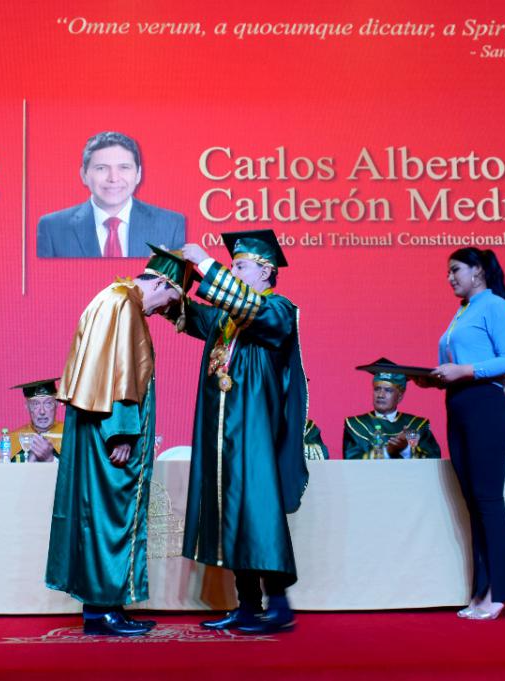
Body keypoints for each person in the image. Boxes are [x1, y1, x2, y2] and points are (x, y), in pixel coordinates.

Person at [44, 245, 192, 636]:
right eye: (169, 299)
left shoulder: (112, 297)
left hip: (96, 428)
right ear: (161, 283)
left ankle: (107, 605)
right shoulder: (125, 305)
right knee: (109, 516)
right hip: (109, 434)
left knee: (97, 515)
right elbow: (119, 372)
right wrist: (122, 431)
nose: (163, 311)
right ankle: (102, 610)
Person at [174, 230, 309, 635]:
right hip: (223, 433)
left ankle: (279, 605)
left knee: (258, 510)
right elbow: (195, 314)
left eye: (240, 266)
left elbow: (249, 308)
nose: (233, 272)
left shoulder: (278, 309)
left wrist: (206, 263)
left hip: (254, 432)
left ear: (265, 272)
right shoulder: (228, 319)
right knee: (228, 510)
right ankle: (247, 605)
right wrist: (169, 288)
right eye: (231, 267)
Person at [415, 247, 505, 620]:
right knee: (474, 503)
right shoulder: (462, 312)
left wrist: (464, 371)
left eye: (455, 270)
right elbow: (455, 367)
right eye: (448, 272)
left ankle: (502, 592)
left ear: (477, 271)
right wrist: (433, 379)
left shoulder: (495, 306)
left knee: (488, 500)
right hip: (459, 406)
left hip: (485, 407)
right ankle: (482, 591)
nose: (450, 278)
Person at [37, 131, 185, 258]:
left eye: (124, 167)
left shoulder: (171, 224)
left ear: (138, 174)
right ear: (84, 175)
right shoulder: (52, 228)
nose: (113, 178)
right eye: (101, 168)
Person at [343, 361, 441, 460]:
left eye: (388, 390)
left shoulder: (416, 425)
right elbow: (351, 461)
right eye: (377, 389)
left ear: (400, 396)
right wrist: (387, 451)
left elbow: (433, 459)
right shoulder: (357, 424)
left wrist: (406, 449)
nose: (380, 395)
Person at [0, 378, 64, 463]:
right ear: (27, 406)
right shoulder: (11, 440)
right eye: (35, 404)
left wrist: (51, 460)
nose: (42, 411)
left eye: (48, 403)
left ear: (56, 404)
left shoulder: (70, 436)